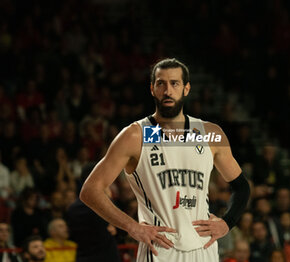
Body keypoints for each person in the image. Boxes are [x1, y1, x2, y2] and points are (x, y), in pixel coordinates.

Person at [80, 58, 250, 262]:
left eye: (174, 83)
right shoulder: (136, 135)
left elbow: (242, 187)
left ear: (186, 88)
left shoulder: (208, 133)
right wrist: (132, 227)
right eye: (161, 83)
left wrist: (227, 223)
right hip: (161, 250)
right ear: (152, 89)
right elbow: (90, 190)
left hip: (203, 249)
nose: (167, 90)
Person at [66, 163, 121, 262]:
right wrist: (108, 198)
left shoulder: (73, 208)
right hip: (106, 257)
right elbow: (121, 229)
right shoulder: (102, 205)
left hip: (83, 257)